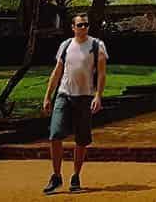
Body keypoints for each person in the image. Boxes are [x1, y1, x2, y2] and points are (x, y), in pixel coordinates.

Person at [41, 15, 108, 194]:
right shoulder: (65, 45)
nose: (84, 27)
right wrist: (47, 96)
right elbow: (57, 72)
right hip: (64, 94)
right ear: (73, 27)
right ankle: (56, 176)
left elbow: (101, 74)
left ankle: (76, 176)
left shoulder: (97, 45)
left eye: (86, 24)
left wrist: (98, 96)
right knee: (55, 134)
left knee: (81, 139)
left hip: (85, 96)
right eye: (80, 25)